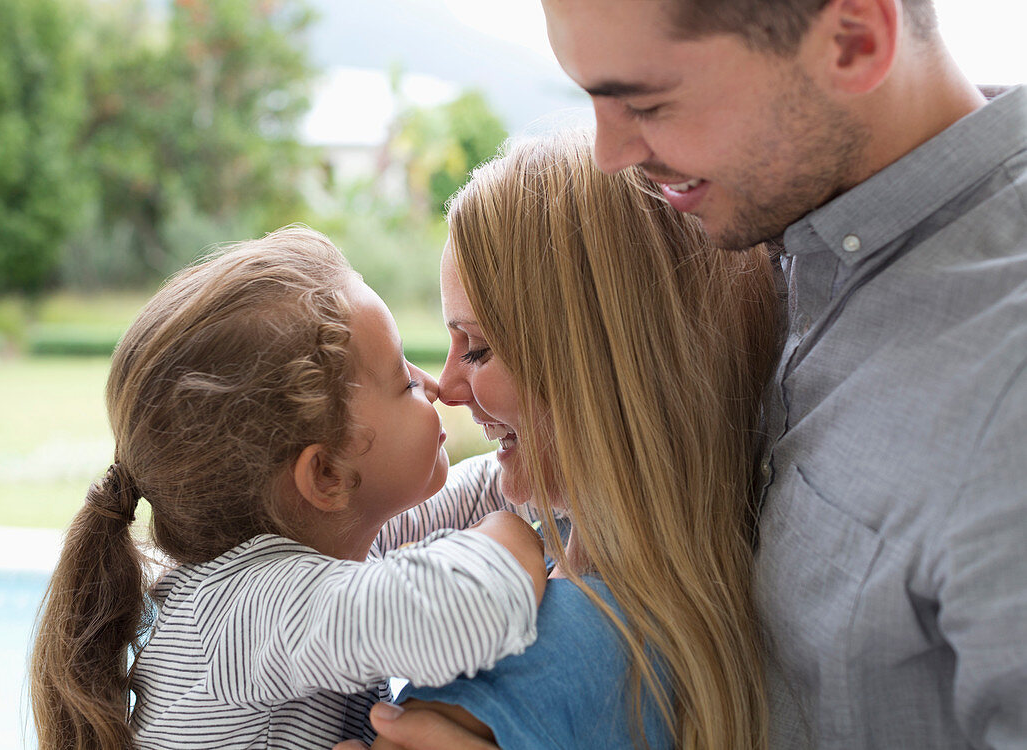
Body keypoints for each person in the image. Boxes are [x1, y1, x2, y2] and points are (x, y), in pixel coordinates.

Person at [366, 1, 1027, 748]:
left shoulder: (1001, 383)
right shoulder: (760, 238)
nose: (609, 152)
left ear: (852, 41)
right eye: (594, 100)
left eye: (648, 103)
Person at [29, 226, 553, 750]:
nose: (435, 384)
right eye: (403, 379)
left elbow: (478, 490)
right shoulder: (246, 609)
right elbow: (470, 607)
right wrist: (508, 534)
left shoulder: (325, 540)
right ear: (326, 475)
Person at [340, 130, 781, 750]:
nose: (447, 386)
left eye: (479, 346)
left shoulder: (536, 650)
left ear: (598, 368)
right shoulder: (717, 599)